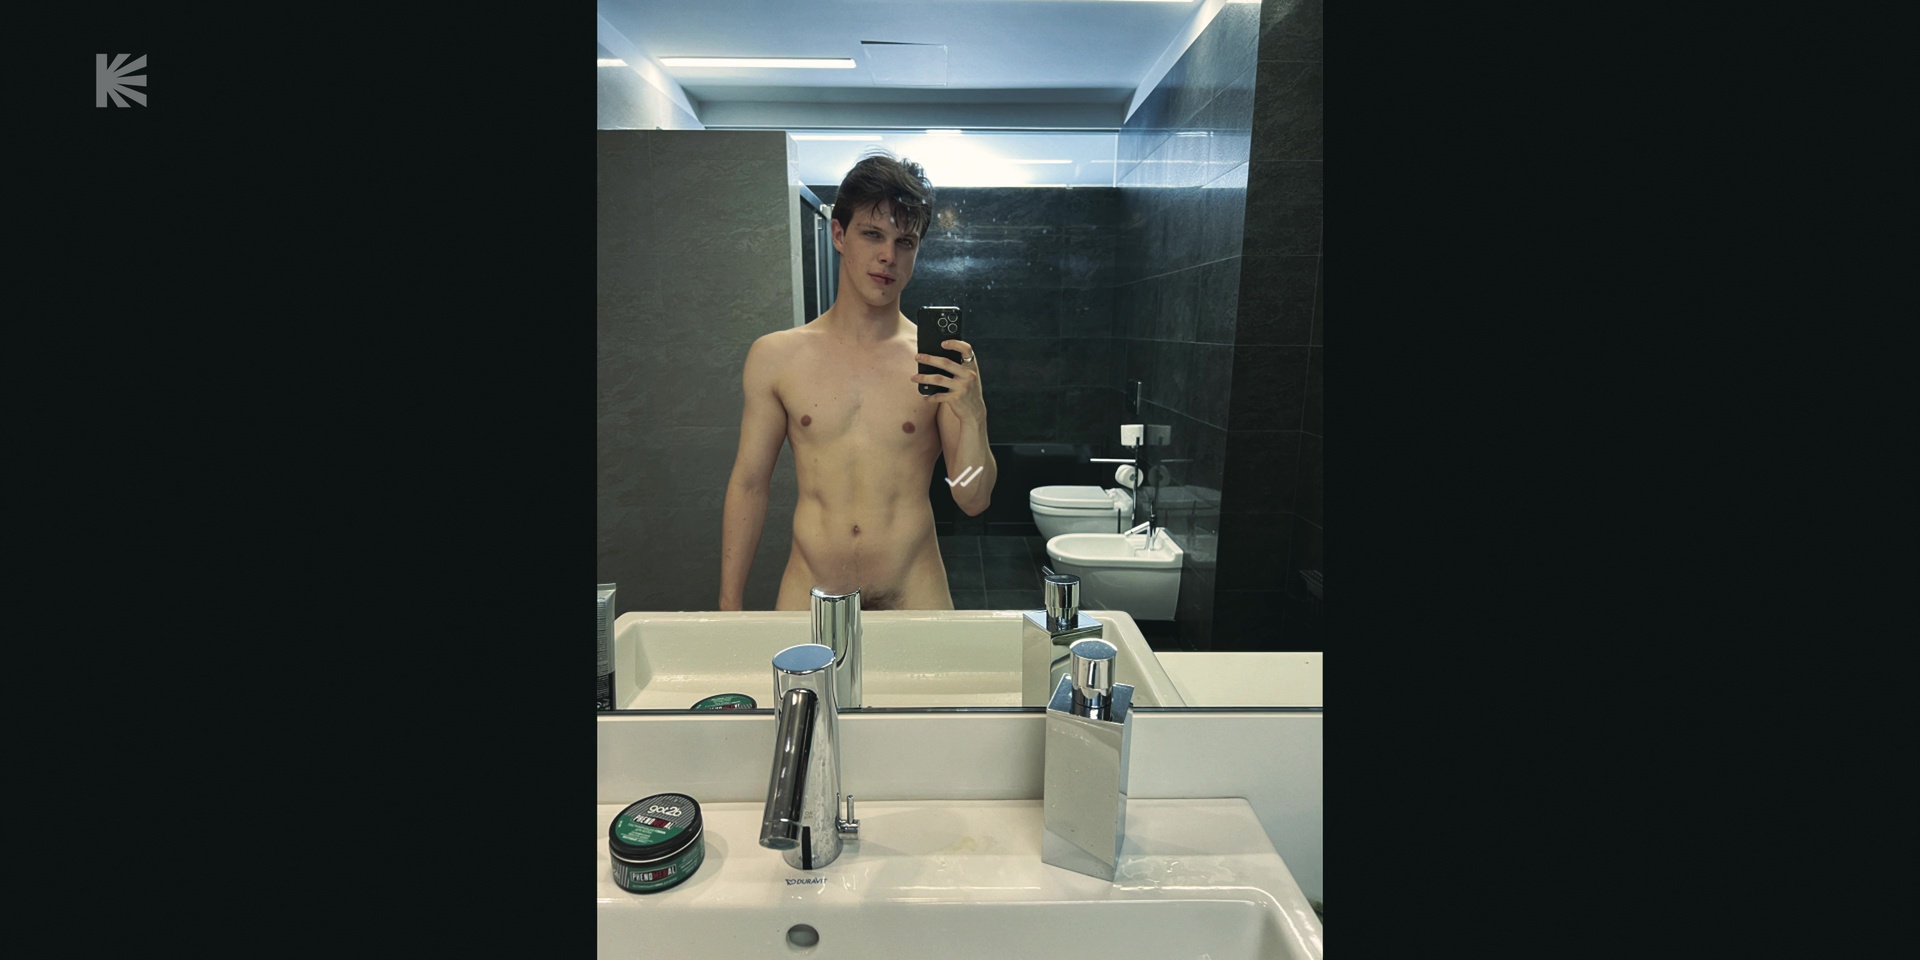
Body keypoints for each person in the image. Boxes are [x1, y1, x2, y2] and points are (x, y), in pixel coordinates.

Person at [719, 151, 996, 611]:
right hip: (810, 592)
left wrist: (975, 417)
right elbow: (749, 485)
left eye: (905, 242)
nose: (888, 256)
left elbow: (971, 496)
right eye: (872, 234)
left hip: (914, 593)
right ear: (838, 235)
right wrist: (729, 605)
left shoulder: (939, 360)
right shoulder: (777, 357)